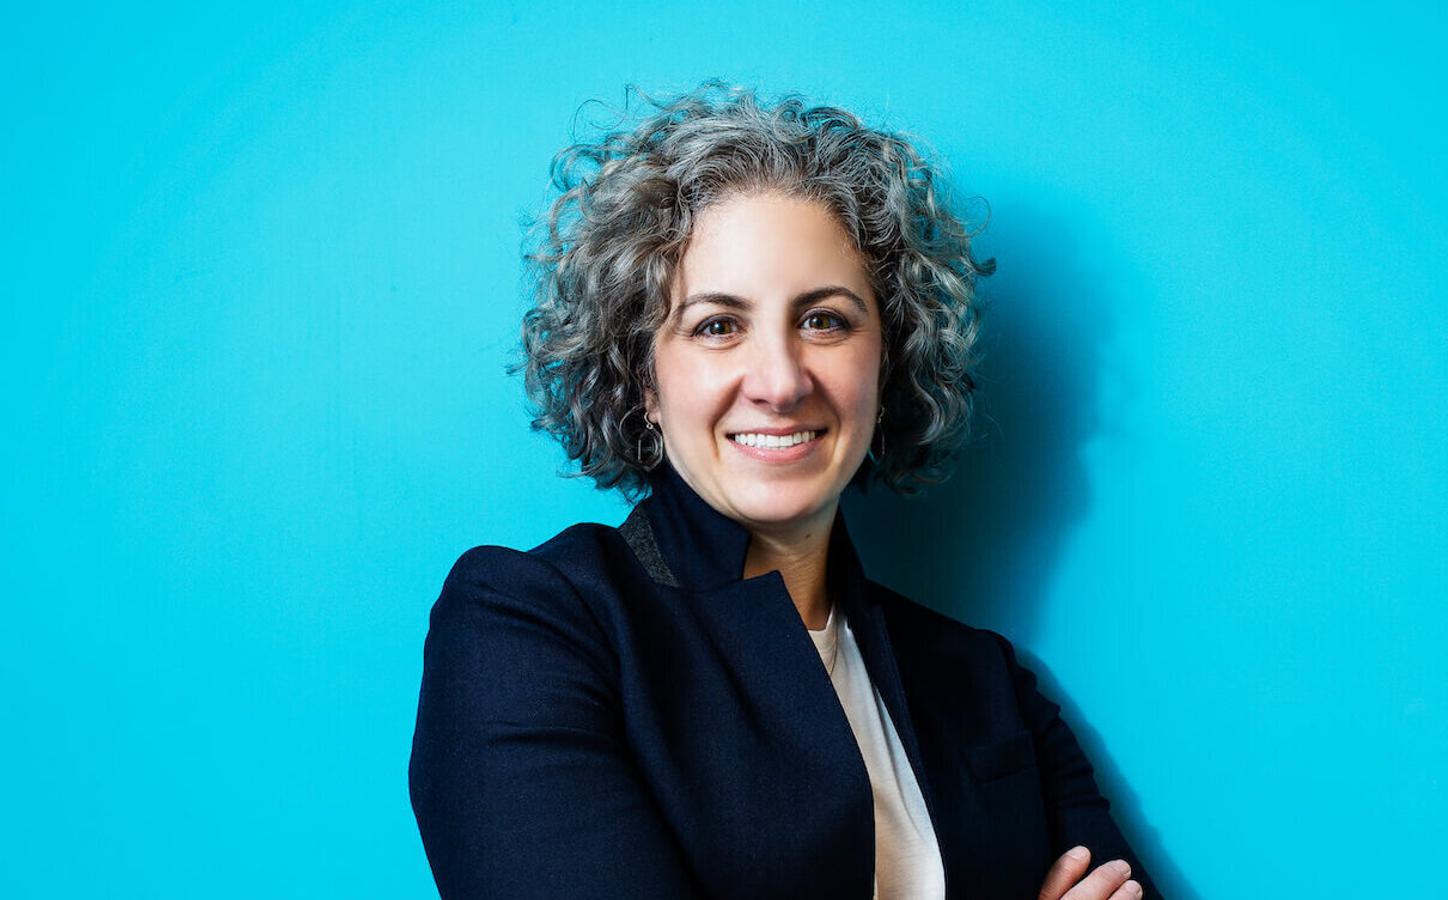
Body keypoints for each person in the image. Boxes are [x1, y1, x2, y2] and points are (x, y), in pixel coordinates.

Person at [408, 79, 1162, 900]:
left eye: (824, 320)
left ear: (889, 362)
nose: (780, 381)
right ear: (644, 382)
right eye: (717, 326)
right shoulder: (531, 626)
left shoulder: (984, 680)